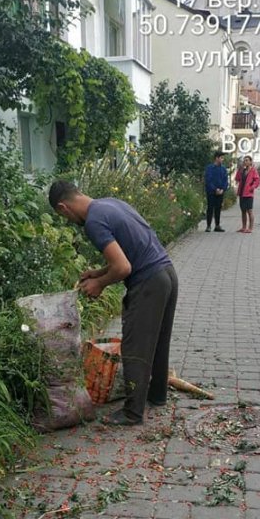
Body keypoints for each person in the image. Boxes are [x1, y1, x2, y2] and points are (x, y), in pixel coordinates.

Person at [48, 181, 178, 427]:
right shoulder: (110, 204)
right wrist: (98, 273)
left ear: (63, 208)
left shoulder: (93, 222)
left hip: (149, 282)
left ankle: (132, 413)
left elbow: (123, 267)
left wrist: (100, 284)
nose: (67, 220)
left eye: (63, 216)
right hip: (167, 274)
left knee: (135, 347)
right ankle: (157, 395)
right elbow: (127, 254)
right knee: (159, 340)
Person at [234, 155, 260, 233]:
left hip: (249, 194)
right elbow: (237, 178)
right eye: (244, 160)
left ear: (250, 162)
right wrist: (240, 169)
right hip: (242, 193)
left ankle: (250, 228)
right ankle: (243, 227)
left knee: (249, 211)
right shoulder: (243, 170)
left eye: (247, 160)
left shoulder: (253, 171)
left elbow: (257, 181)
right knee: (243, 211)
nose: (245, 162)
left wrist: (252, 187)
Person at [204, 151, 228, 232]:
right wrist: (215, 189)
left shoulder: (223, 169)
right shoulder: (210, 168)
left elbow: (225, 180)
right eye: (221, 158)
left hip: (220, 192)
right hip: (211, 192)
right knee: (210, 208)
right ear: (216, 158)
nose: (222, 159)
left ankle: (217, 225)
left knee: (218, 208)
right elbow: (208, 180)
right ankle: (208, 226)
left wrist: (222, 189)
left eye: (223, 158)